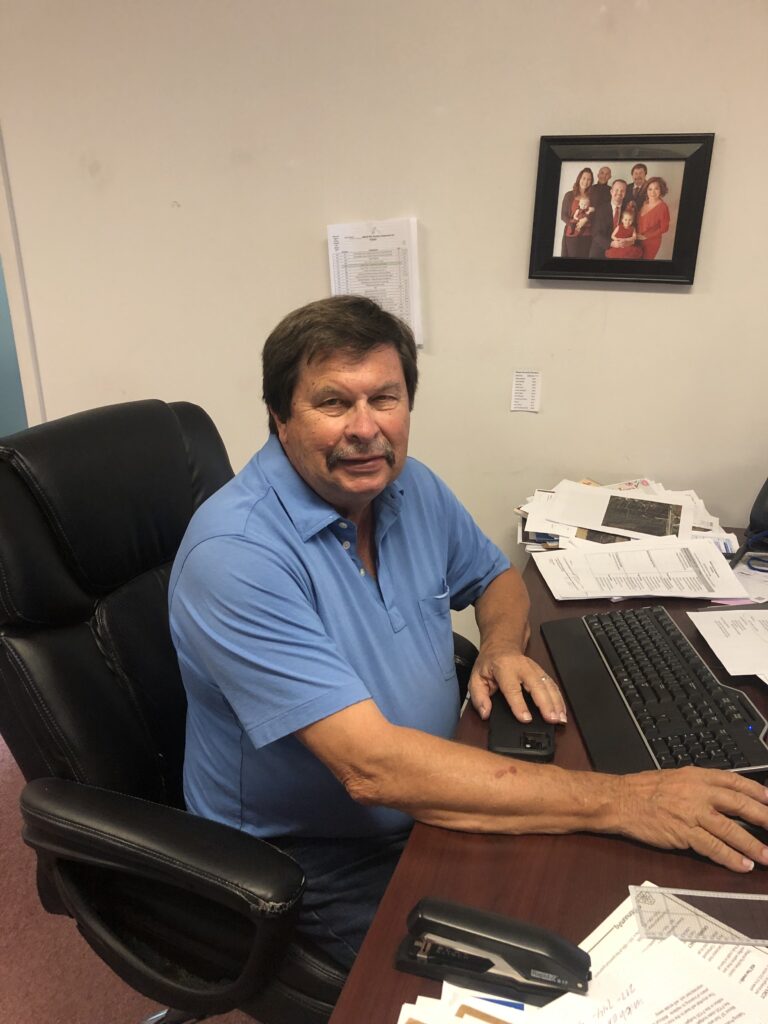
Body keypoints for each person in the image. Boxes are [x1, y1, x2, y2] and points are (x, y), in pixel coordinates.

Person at [169, 296, 768, 970]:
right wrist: (625, 800)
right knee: (560, 967)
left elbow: (498, 581)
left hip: (425, 793)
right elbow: (370, 769)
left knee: (619, 892)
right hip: (309, 857)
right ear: (279, 418)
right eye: (334, 403)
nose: (366, 429)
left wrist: (502, 647)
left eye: (385, 399)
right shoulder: (238, 555)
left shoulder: (403, 486)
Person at [589, 178, 628, 258]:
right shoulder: (600, 209)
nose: (619, 193)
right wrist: (611, 243)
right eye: (616, 190)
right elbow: (595, 232)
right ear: (611, 191)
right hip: (600, 249)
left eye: (622, 190)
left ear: (625, 193)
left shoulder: (628, 210)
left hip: (619, 251)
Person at [560, 167, 594, 257]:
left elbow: (594, 213)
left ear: (591, 182)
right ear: (579, 178)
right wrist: (574, 223)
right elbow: (563, 215)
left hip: (587, 235)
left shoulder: (592, 196)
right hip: (572, 234)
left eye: (589, 179)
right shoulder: (569, 195)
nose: (585, 181)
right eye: (584, 178)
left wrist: (586, 219)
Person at [637, 176, 671, 259]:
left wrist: (646, 236)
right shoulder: (645, 203)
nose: (653, 192)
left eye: (656, 189)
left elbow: (664, 228)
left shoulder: (663, 207)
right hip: (637, 239)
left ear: (661, 190)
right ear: (646, 190)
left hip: (651, 242)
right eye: (650, 189)